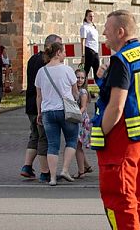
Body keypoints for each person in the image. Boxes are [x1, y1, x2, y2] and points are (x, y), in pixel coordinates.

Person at [91, 10, 140, 230]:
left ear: (120, 31)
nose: (104, 34)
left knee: (120, 201)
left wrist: (102, 131)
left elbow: (116, 106)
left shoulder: (121, 59)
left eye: (107, 29)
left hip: (122, 140)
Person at [35, 40, 80, 186]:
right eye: (64, 52)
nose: (65, 55)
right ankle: (65, 170)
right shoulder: (67, 70)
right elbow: (75, 92)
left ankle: (52, 178)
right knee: (71, 139)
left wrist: (39, 113)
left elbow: (39, 96)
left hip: (48, 111)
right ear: (58, 53)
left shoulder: (42, 71)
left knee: (52, 144)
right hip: (65, 110)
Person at [21, 33, 59, 182]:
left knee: (34, 135)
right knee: (44, 138)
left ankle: (27, 166)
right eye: (58, 45)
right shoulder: (47, 63)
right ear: (50, 46)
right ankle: (45, 172)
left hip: (30, 103)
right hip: (41, 105)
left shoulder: (32, 59)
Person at [74, 67, 94, 178]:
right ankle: (87, 166)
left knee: (77, 146)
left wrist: (74, 114)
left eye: (82, 78)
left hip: (81, 121)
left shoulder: (83, 91)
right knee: (78, 145)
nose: (80, 80)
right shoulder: (74, 90)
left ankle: (81, 172)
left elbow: (83, 107)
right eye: (78, 77)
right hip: (78, 119)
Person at [80, 9, 100, 79]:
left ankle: (101, 88)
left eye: (93, 16)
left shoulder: (93, 27)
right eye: (90, 16)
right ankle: (82, 87)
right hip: (89, 50)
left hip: (95, 51)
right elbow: (82, 41)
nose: (92, 18)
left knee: (97, 72)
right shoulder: (84, 27)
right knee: (86, 71)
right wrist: (83, 55)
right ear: (86, 17)